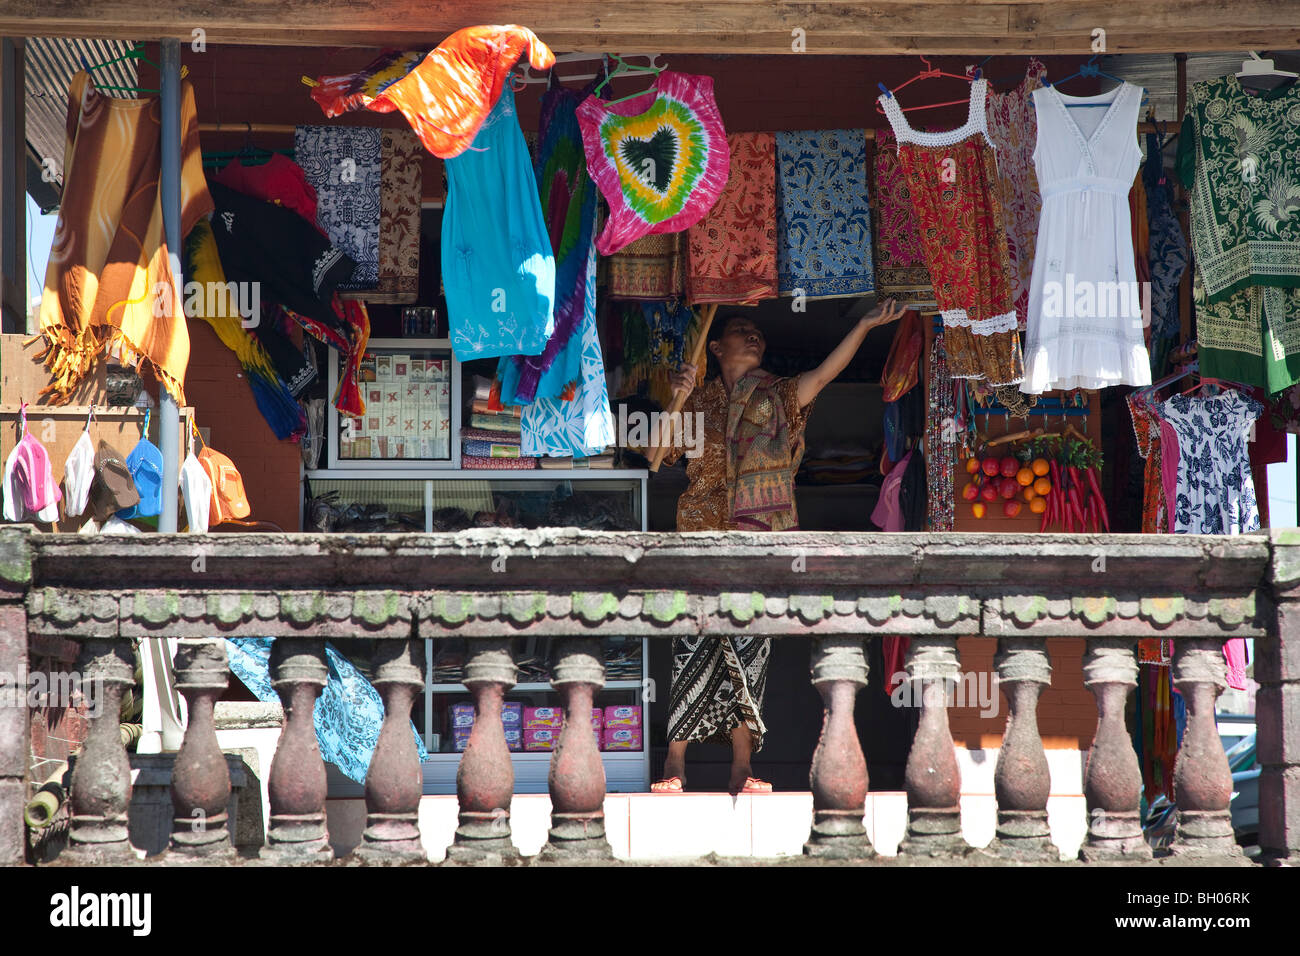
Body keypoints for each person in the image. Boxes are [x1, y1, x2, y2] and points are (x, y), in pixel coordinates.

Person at [649, 299, 910, 793]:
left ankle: (742, 768)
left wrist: (863, 325)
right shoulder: (698, 399)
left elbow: (826, 372)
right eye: (741, 330)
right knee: (691, 645)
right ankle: (675, 765)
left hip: (757, 544)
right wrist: (676, 399)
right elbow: (655, 457)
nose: (753, 337)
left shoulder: (779, 396)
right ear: (716, 347)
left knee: (751, 648)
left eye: (758, 333)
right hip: (702, 540)